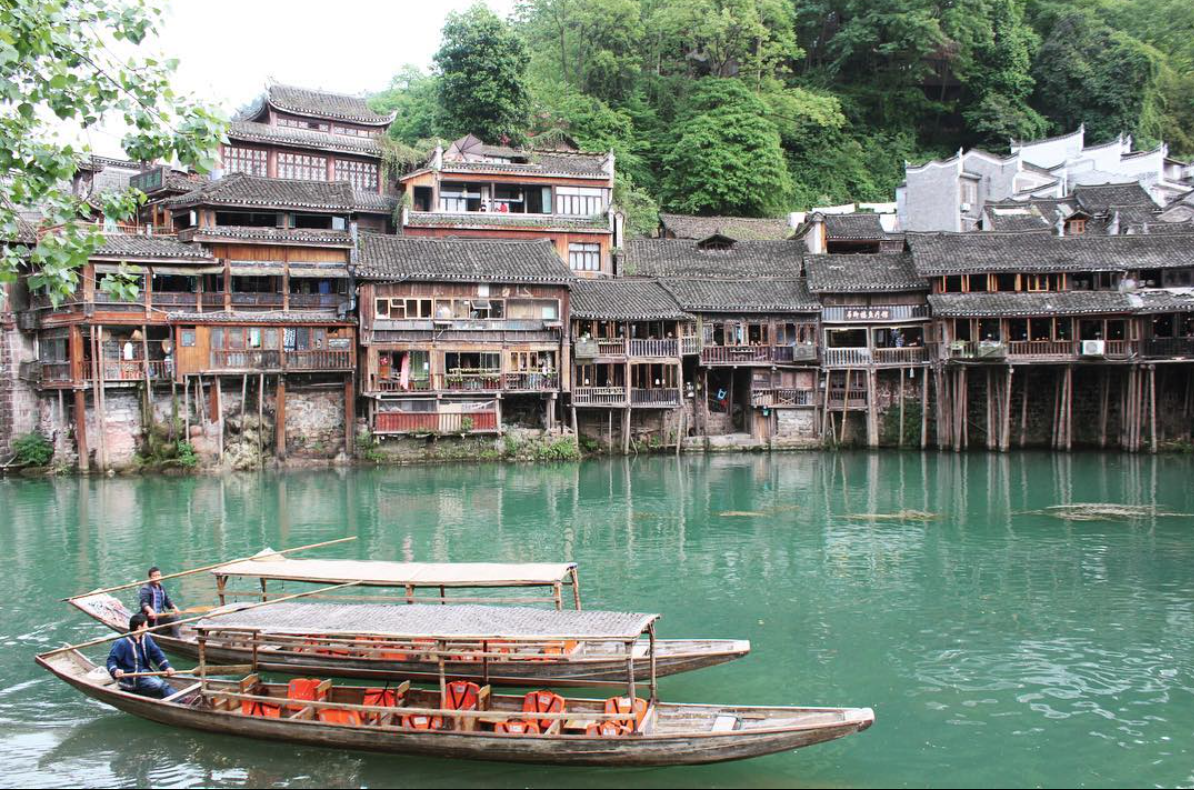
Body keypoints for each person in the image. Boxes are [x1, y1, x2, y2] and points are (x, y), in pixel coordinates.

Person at [107, 613, 176, 699]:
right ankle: (182, 701)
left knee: (162, 684)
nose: (147, 628)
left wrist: (167, 667)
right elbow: (111, 660)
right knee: (160, 685)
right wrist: (115, 670)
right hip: (132, 678)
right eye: (146, 625)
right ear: (139, 627)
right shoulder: (121, 643)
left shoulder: (146, 638)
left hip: (146, 673)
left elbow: (157, 654)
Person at [139, 566, 182, 638]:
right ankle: (159, 634)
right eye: (155, 576)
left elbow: (166, 600)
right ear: (150, 578)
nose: (157, 577)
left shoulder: (161, 587)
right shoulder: (145, 589)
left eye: (159, 575)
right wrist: (150, 611)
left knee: (175, 617)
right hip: (150, 617)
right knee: (156, 630)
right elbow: (143, 603)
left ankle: (177, 638)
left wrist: (174, 607)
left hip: (161, 615)